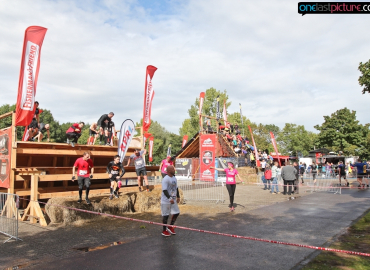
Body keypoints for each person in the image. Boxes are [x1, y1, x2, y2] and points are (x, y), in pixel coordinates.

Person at [161, 165, 180, 237]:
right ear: (169, 171)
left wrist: (178, 196)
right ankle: (164, 230)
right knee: (165, 215)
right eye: (173, 169)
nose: (174, 170)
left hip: (173, 199)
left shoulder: (174, 178)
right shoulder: (165, 179)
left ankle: (170, 226)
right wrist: (169, 198)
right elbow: (164, 190)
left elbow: (176, 188)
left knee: (176, 213)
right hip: (166, 200)